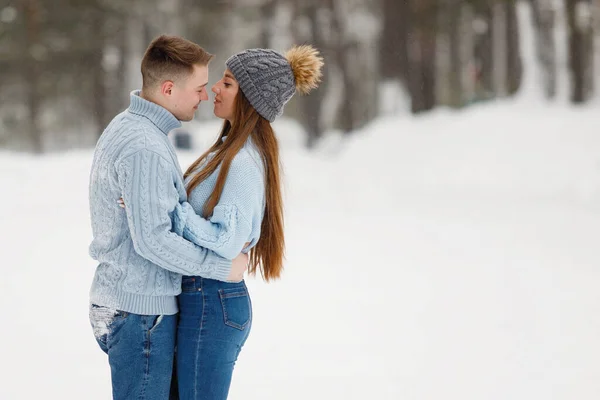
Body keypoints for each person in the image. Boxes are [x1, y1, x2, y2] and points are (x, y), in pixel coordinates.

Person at [87, 35, 248, 400]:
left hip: (130, 305)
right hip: (141, 312)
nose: (205, 96)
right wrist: (223, 267)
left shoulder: (132, 127)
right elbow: (153, 241)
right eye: (199, 88)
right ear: (169, 88)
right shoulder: (144, 147)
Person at [170, 45, 324, 399]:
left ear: (250, 98)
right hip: (207, 299)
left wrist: (173, 213)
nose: (214, 89)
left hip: (212, 301)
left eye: (227, 83)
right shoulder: (227, 150)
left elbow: (227, 240)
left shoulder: (241, 161)